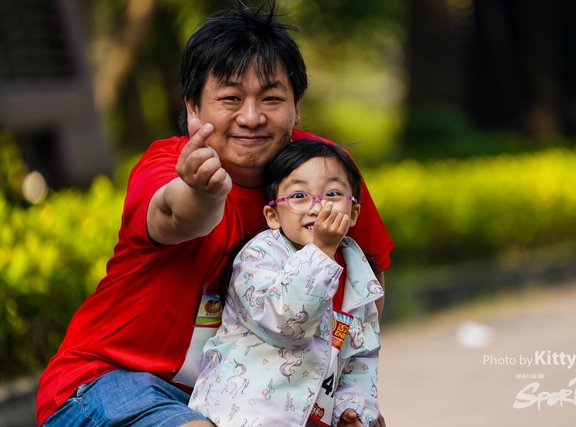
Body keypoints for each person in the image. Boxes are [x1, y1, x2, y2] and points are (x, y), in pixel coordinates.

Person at [36, 3, 393, 427]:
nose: (251, 117)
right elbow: (176, 214)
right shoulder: (166, 167)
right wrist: (202, 193)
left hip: (233, 401)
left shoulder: (325, 175)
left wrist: (339, 398)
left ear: (296, 107)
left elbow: (365, 282)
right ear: (192, 109)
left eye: (272, 98)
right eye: (230, 98)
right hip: (109, 382)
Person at [189, 139, 383, 427]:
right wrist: (320, 252)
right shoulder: (258, 258)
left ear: (353, 212)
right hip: (243, 415)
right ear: (273, 215)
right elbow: (287, 323)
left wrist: (351, 408)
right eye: (300, 196)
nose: (317, 207)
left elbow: (361, 359)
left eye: (331, 193)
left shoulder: (358, 276)